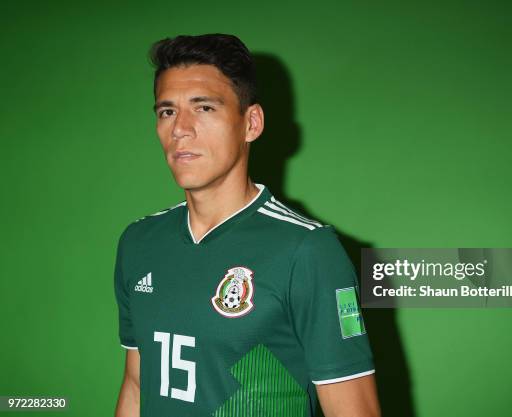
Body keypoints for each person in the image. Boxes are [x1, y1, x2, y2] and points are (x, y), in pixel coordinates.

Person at [113, 33, 381, 417]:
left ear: (251, 123)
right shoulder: (139, 242)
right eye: (167, 112)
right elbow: (137, 387)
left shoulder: (307, 250)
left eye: (204, 108)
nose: (180, 129)